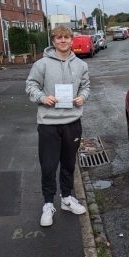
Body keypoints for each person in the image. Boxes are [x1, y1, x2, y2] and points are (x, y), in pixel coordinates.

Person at [26, 25, 90, 226]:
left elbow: (86, 86)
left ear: (72, 40)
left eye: (66, 37)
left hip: (72, 122)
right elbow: (31, 86)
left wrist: (82, 97)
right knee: (48, 166)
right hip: (49, 124)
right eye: (59, 38)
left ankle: (67, 198)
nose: (63, 41)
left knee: (69, 164)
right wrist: (43, 98)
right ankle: (47, 204)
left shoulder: (81, 65)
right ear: (53, 41)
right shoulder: (41, 64)